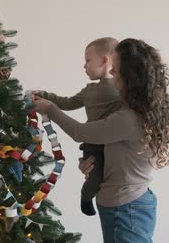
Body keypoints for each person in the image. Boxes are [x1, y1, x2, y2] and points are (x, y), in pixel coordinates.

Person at [34, 38, 169, 243]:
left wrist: (49, 109)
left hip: (126, 208)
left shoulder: (128, 118)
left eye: (115, 70)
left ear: (129, 76)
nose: (111, 74)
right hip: (129, 202)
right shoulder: (137, 111)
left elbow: (80, 132)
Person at [34, 37, 122, 216]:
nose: (84, 66)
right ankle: (86, 197)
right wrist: (43, 95)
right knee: (95, 177)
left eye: (88, 60)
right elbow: (66, 103)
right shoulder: (89, 91)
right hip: (93, 145)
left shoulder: (123, 90)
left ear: (104, 61)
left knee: (113, 177)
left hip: (117, 146)